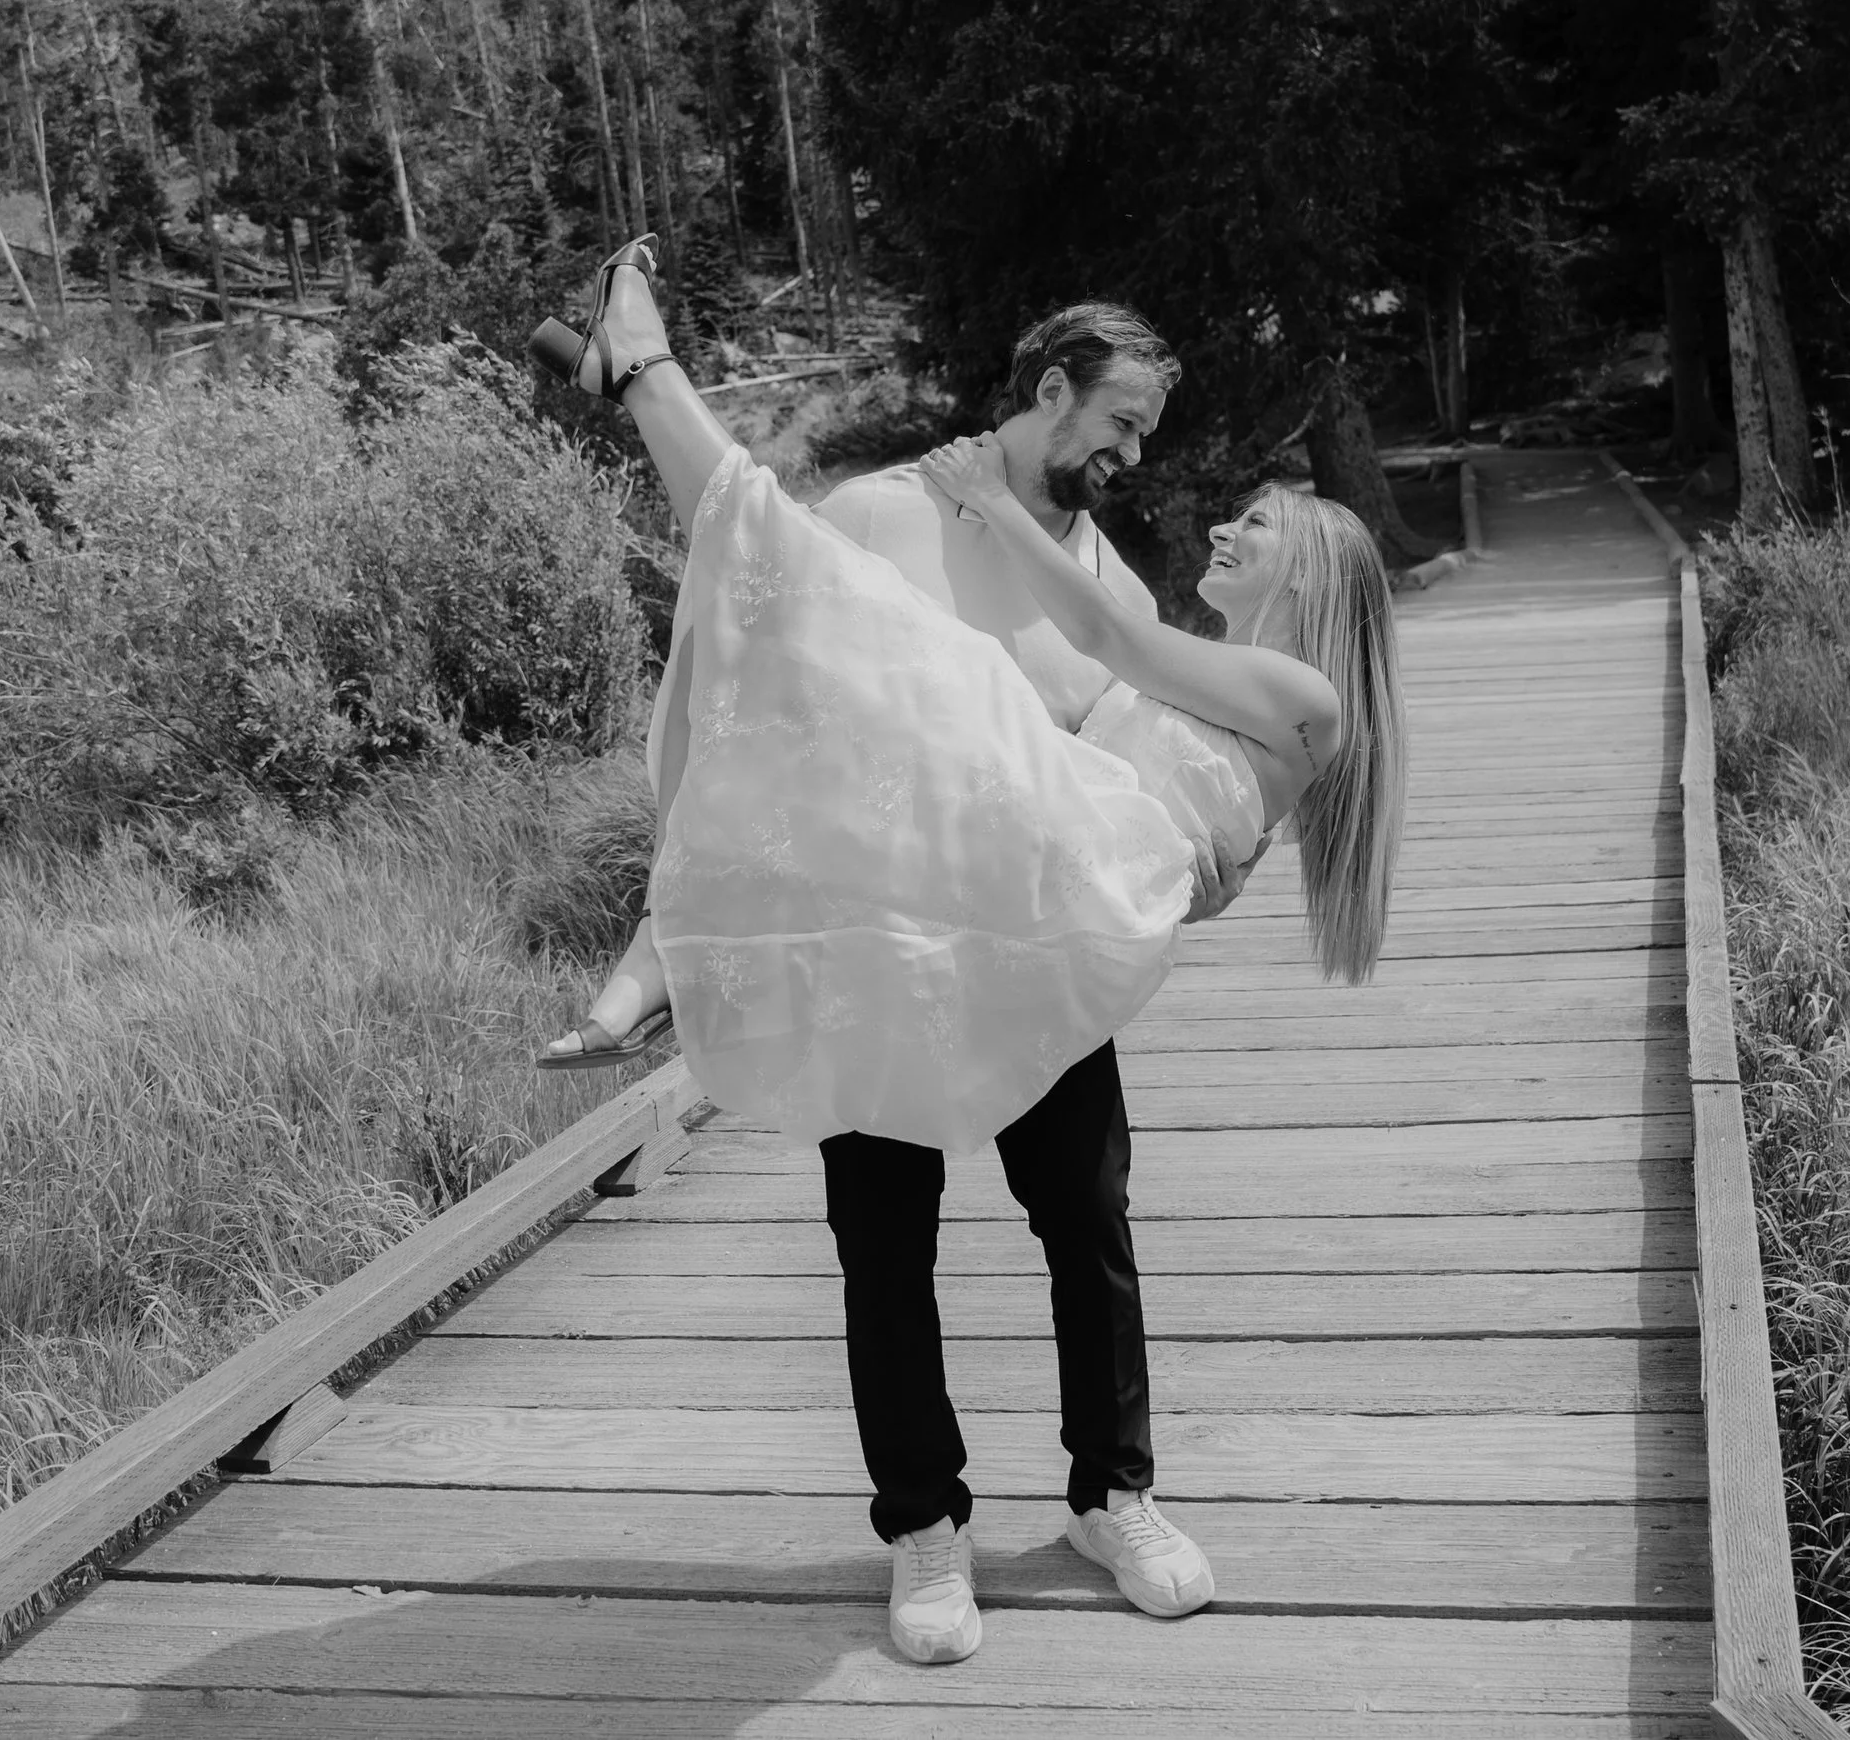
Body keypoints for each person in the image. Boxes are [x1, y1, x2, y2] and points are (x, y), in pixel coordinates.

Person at [531, 247, 1405, 1669]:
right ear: (1050, 392)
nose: (1130, 461)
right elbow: (778, 719)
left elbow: (1164, 720)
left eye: (1146, 444)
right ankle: (923, 1531)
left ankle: (1112, 1497)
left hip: (1044, 942)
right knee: (886, 1248)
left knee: (1089, 1226)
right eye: (1118, 428)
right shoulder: (884, 512)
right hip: (885, 949)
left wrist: (1215, 851)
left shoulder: (1103, 573)